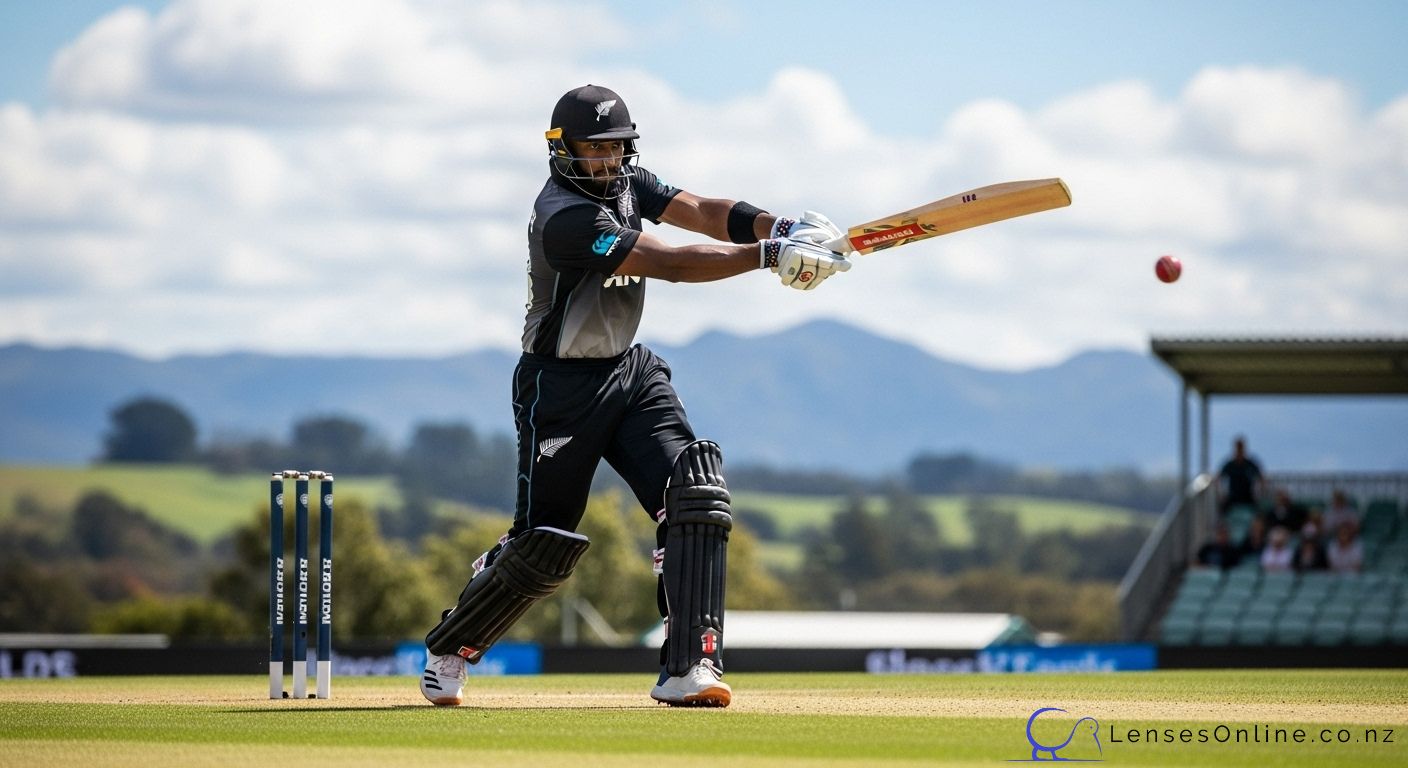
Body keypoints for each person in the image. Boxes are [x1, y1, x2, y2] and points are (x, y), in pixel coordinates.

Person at [416, 85, 852, 709]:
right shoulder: (565, 217)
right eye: (593, 150)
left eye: (617, 149)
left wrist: (777, 224)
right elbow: (668, 262)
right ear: (561, 150)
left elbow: (700, 210)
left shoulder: (627, 182)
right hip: (559, 386)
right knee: (544, 543)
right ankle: (449, 648)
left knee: (694, 495)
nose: (606, 162)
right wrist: (768, 256)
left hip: (630, 373)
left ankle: (689, 669)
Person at [1216, 436, 1265, 514]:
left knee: (1260, 511)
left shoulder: (1250, 464)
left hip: (1248, 497)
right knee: (1222, 511)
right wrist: (1221, 494)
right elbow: (1219, 478)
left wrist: (1259, 493)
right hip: (1233, 498)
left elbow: (1261, 477)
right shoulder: (1230, 464)